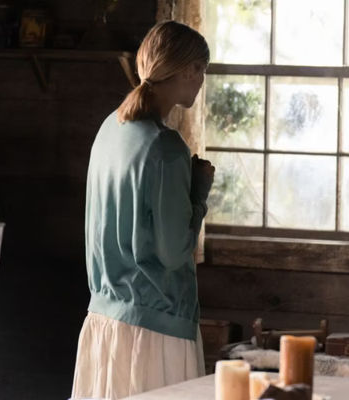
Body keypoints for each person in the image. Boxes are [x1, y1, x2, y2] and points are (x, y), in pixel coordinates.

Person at [71, 21, 214, 400]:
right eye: (202, 68)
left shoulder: (109, 130)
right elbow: (173, 252)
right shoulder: (166, 148)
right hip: (156, 332)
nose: (202, 79)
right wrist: (199, 196)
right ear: (187, 69)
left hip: (104, 321)